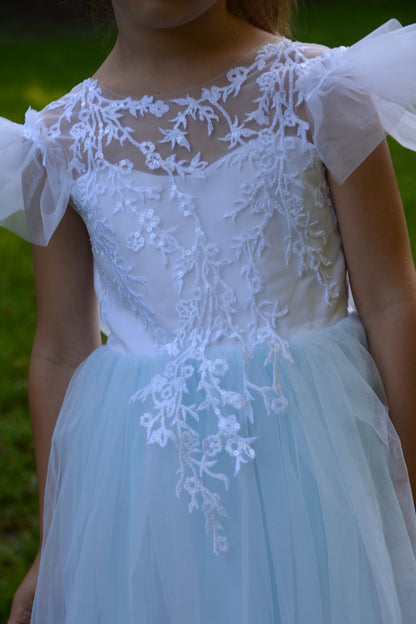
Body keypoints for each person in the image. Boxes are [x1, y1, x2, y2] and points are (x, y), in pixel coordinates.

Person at [2, 1, 416, 622]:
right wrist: (56, 539)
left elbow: (391, 298)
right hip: (149, 486)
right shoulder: (58, 144)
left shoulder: (320, 90)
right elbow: (62, 347)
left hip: (322, 473)